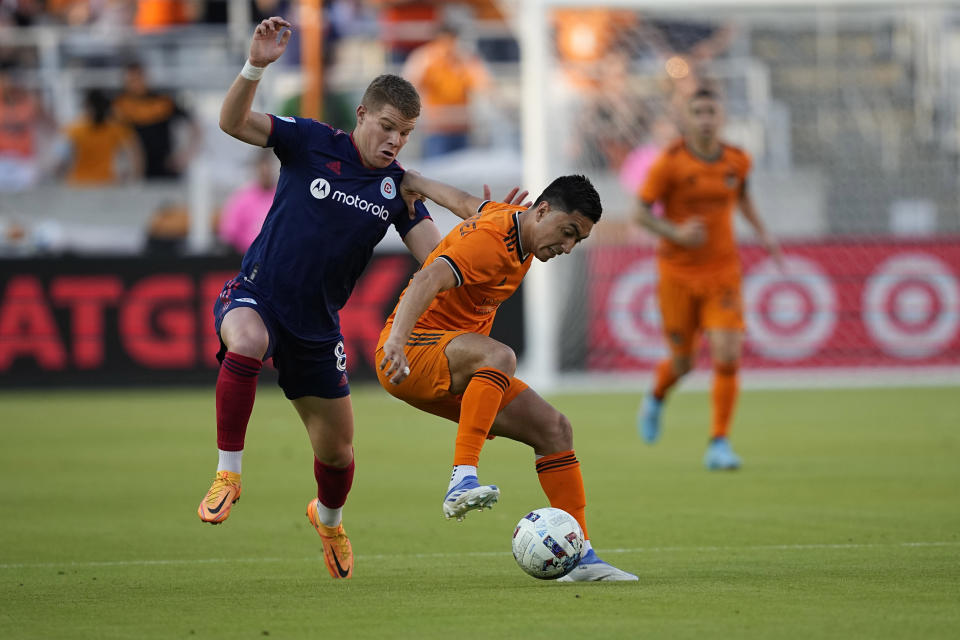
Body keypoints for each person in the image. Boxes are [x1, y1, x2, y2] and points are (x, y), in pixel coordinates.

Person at [198, 16, 521, 582]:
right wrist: (256, 66)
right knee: (246, 340)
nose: (394, 140)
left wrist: (460, 205)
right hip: (259, 294)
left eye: (407, 133)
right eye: (388, 127)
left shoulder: (395, 189)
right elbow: (231, 123)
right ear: (362, 116)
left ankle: (328, 521)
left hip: (318, 329)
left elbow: (441, 262)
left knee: (338, 454)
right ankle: (229, 472)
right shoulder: (310, 140)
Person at [376, 172, 637, 582]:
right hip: (410, 353)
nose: (568, 247)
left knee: (555, 429)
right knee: (499, 356)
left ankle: (582, 557)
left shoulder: (515, 222)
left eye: (577, 241)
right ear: (543, 210)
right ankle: (462, 478)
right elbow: (426, 279)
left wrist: (414, 181)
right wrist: (395, 341)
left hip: (451, 361)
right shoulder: (488, 244)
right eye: (568, 232)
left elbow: (464, 202)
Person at [633, 86, 783, 470]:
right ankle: (656, 396)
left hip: (722, 273)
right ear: (686, 118)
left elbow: (742, 196)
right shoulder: (670, 163)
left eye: (710, 112)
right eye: (697, 112)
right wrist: (676, 233)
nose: (704, 119)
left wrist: (764, 233)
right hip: (677, 275)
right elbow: (640, 213)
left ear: (722, 117)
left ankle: (719, 442)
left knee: (727, 354)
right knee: (683, 363)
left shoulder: (737, 160)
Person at [401, 23, 491, 158]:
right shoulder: (423, 59)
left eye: (451, 42)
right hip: (436, 129)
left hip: (462, 127)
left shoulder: (463, 59)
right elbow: (408, 87)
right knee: (436, 173)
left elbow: (483, 84)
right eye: (444, 43)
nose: (447, 48)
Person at [112, 60, 200, 179]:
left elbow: (194, 126)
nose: (135, 84)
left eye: (138, 79)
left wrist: (186, 155)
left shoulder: (163, 101)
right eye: (130, 81)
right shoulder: (120, 104)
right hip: (134, 169)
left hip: (165, 167)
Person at [61, 88, 142, 185]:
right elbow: (135, 154)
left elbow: (60, 160)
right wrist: (132, 178)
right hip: (104, 183)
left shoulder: (75, 128)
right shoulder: (116, 128)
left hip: (81, 183)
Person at [216, 148, 278, 254]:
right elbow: (228, 233)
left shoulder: (282, 197)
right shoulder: (242, 198)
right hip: (246, 258)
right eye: (262, 168)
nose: (266, 172)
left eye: (269, 167)